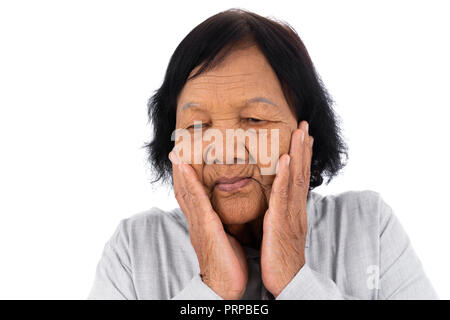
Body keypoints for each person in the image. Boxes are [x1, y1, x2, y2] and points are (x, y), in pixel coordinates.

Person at [88, 8, 437, 300]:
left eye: (254, 120)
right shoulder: (136, 248)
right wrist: (212, 286)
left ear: (306, 131)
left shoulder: (367, 225)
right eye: (197, 126)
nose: (225, 154)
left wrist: (293, 277)